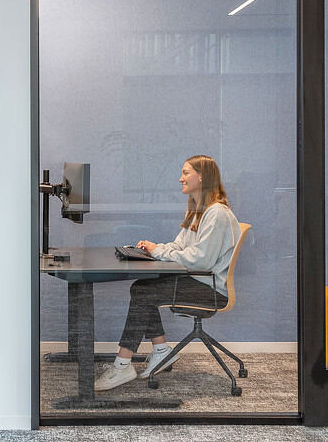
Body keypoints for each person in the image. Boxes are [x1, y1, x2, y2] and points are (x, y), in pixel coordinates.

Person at [94, 154, 242, 391]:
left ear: (201, 177)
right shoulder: (198, 210)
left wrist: (159, 252)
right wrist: (154, 249)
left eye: (185, 173)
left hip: (210, 289)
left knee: (144, 293)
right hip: (197, 280)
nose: (180, 178)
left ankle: (123, 365)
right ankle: (162, 351)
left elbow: (201, 260)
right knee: (143, 288)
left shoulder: (217, 214)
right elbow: (180, 245)